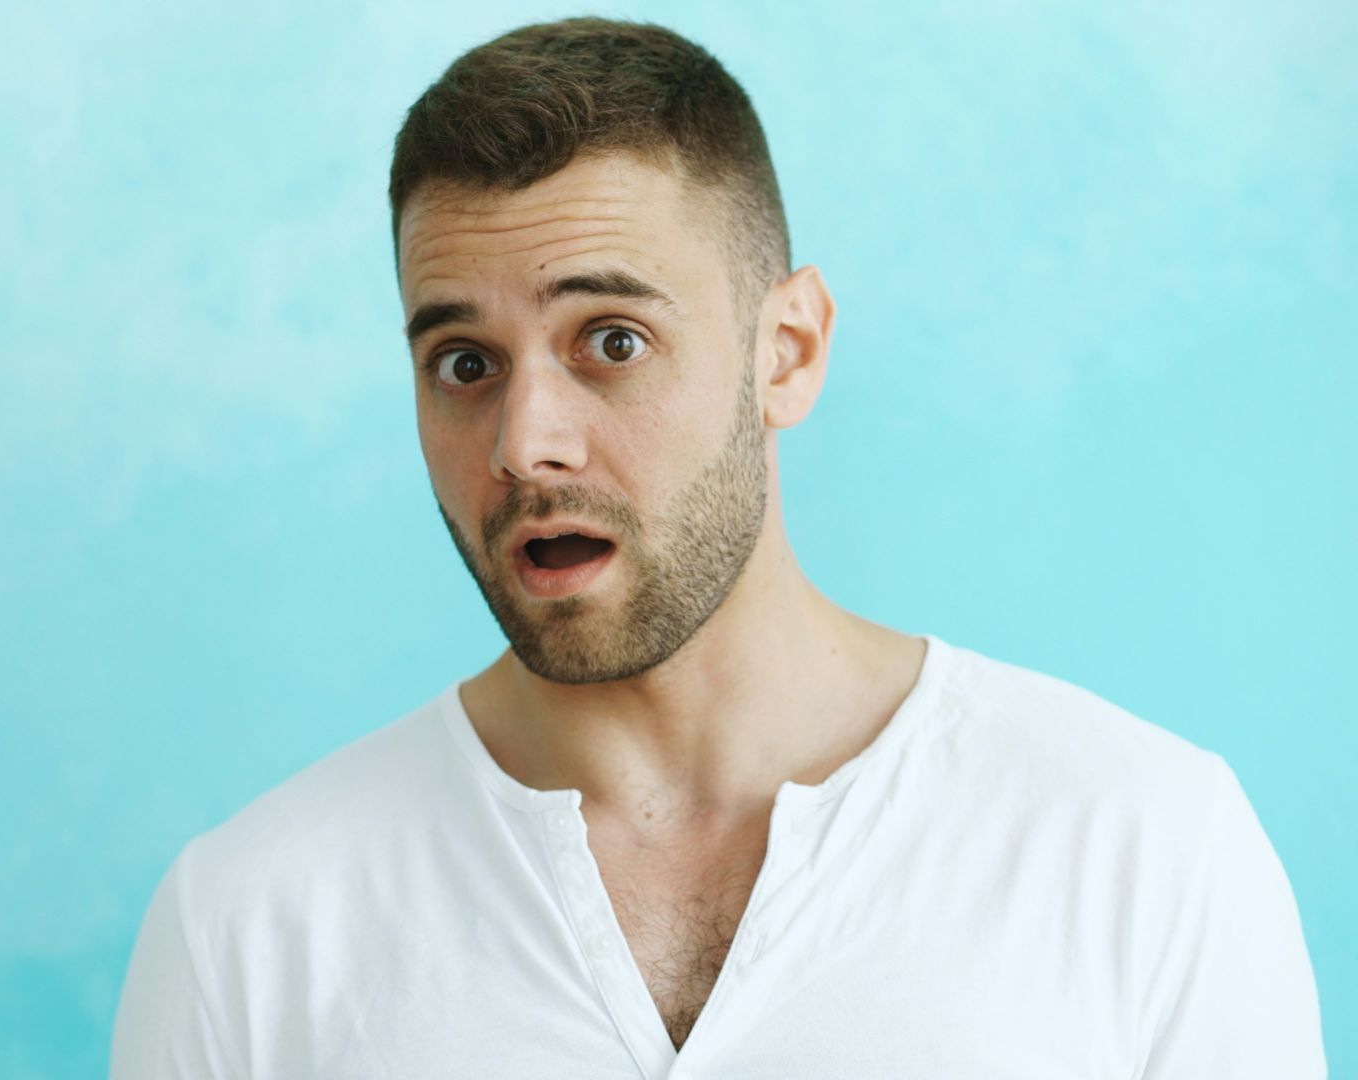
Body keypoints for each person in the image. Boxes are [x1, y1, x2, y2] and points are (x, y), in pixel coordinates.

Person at [108, 17, 1325, 1078]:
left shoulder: (1145, 846)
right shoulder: (249, 926)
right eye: (464, 364)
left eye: (613, 342)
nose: (526, 444)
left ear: (784, 353)